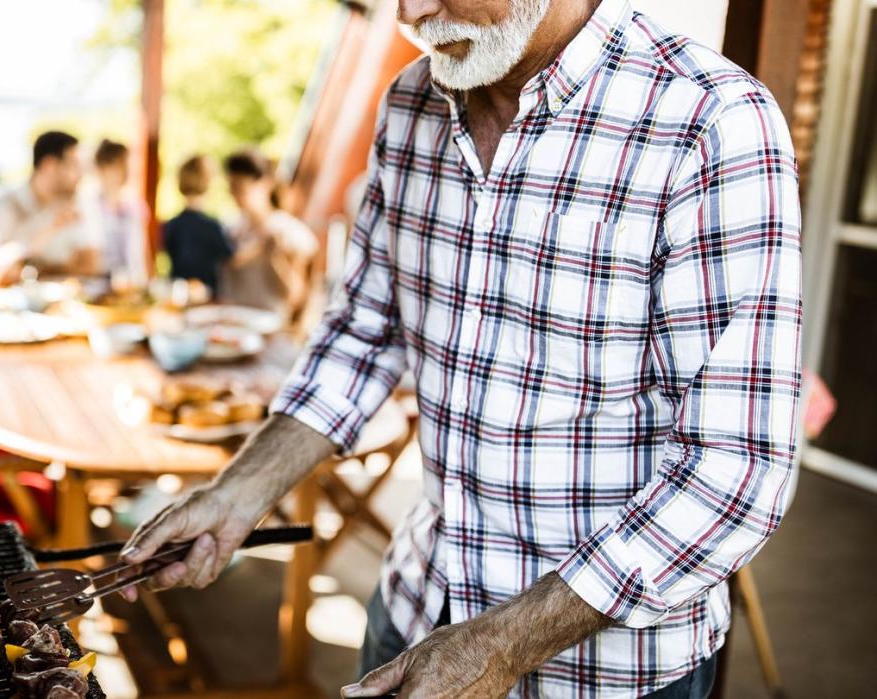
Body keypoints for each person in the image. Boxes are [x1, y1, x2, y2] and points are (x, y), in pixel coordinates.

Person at [117, 1, 803, 698]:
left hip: (606, 670)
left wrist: (502, 643)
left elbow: (736, 470)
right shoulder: (410, 103)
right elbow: (362, 334)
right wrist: (239, 492)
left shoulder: (710, 120)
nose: (411, 13)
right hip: (418, 605)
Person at [0, 130, 102, 287]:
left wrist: (34, 270)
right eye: (74, 166)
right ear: (49, 165)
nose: (80, 175)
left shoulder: (75, 204)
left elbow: (89, 267)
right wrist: (46, 233)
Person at [220, 149, 318, 317]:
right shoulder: (231, 229)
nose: (234, 195)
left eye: (240, 188)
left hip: (270, 329)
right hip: (232, 325)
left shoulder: (291, 233)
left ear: (265, 184)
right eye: (231, 188)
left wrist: (273, 257)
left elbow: (299, 296)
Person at [161, 155, 232, 294]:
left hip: (177, 294)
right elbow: (229, 260)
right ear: (208, 182)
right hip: (208, 298)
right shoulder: (213, 227)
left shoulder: (170, 225)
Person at [94, 139, 148, 287]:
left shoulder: (135, 206)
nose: (125, 172)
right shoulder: (90, 207)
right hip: (97, 285)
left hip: (131, 285)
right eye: (118, 165)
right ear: (102, 168)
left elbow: (142, 253)